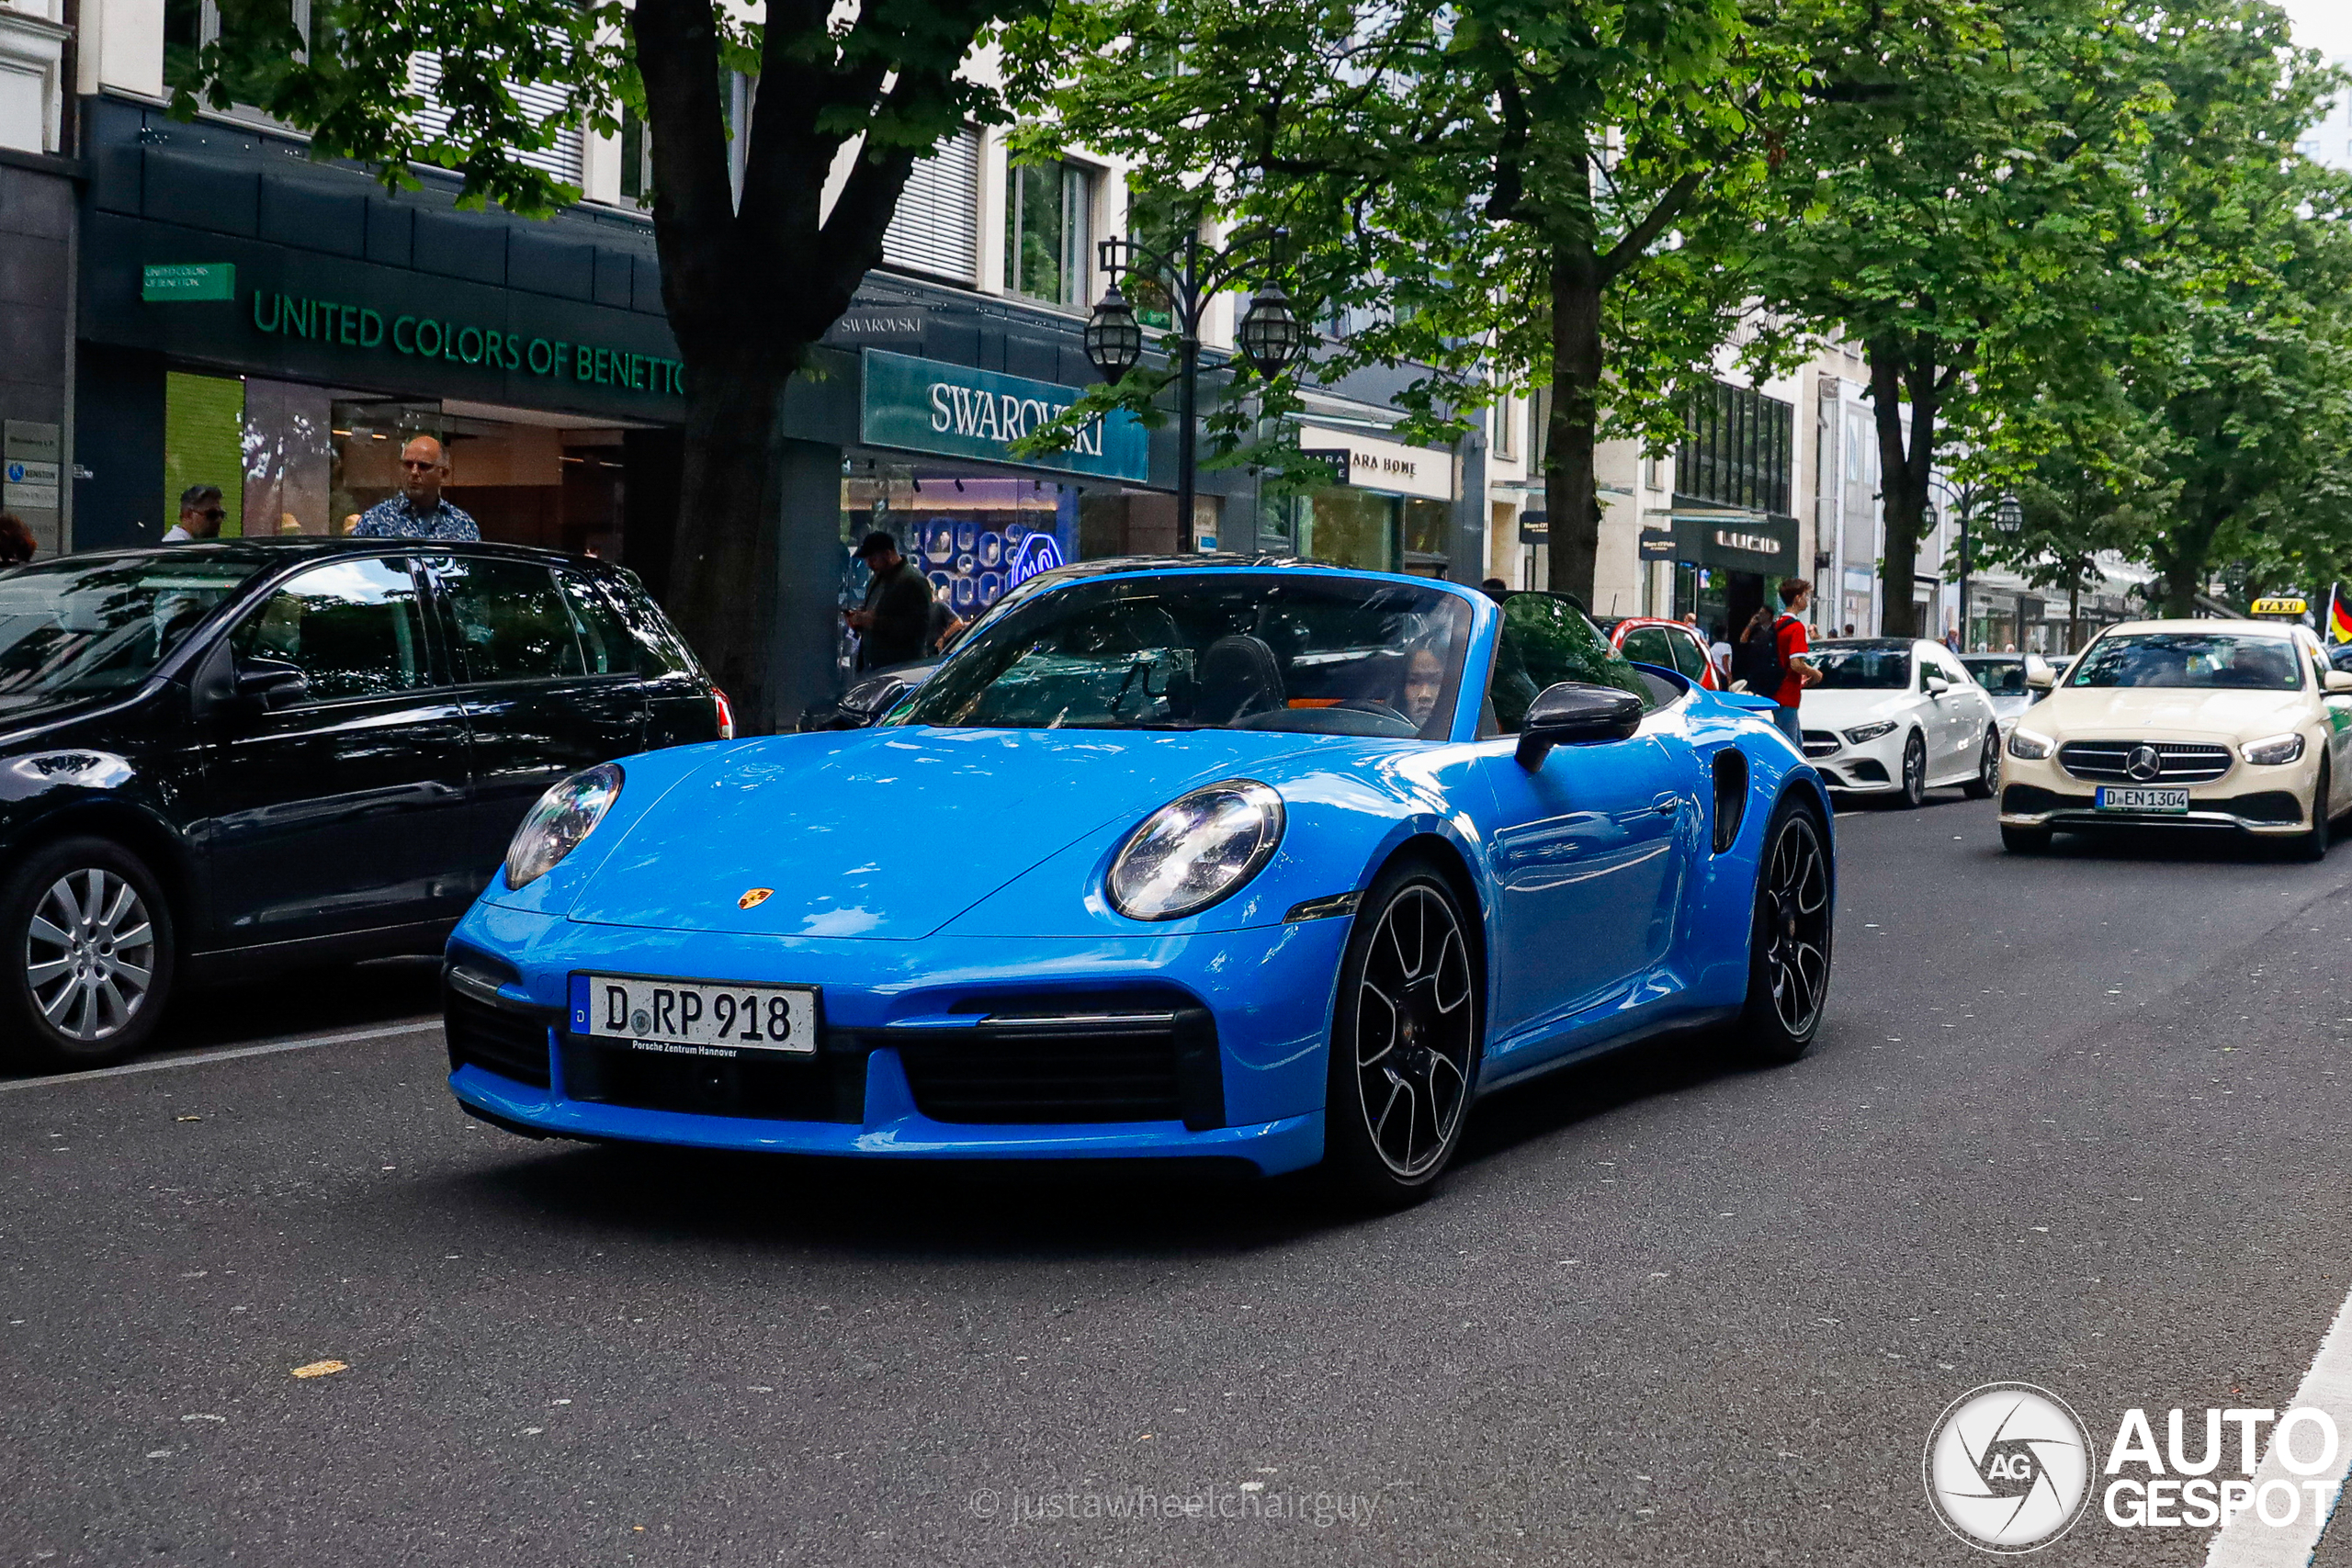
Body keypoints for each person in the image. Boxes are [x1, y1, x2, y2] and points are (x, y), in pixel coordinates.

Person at [353, 435, 480, 540]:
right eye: (408, 464)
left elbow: (474, 569)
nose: (414, 472)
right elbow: (355, 568)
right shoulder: (374, 522)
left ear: (443, 474)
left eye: (423, 466)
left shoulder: (462, 525)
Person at [846, 531, 933, 670]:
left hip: (899, 667)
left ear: (888, 554)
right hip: (873, 666)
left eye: (873, 559)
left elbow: (918, 629)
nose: (868, 564)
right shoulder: (877, 579)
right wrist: (859, 619)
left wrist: (874, 622)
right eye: (867, 560)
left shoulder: (913, 581)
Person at [1769, 577, 1820, 746]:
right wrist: (1815, 673)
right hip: (1788, 693)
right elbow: (1796, 663)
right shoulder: (1796, 627)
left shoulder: (1778, 624)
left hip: (1775, 689)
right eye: (1805, 596)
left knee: (1796, 745)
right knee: (1790, 747)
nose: (1807, 600)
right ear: (1797, 599)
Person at [161, 484, 225, 542]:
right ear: (188, 515)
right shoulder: (176, 546)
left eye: (222, 515)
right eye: (211, 514)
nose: (219, 520)